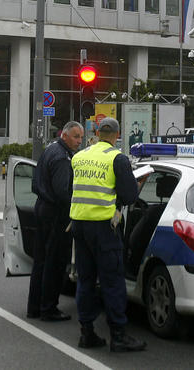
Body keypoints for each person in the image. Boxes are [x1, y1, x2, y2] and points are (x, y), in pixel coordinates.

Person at [69, 117, 146, 353]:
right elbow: (130, 196)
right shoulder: (117, 158)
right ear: (117, 135)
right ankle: (119, 336)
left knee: (86, 279)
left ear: (97, 132)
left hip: (79, 225)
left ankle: (87, 333)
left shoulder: (79, 157)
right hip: (103, 226)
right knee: (112, 281)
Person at [27, 120, 85, 322]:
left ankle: (34, 307)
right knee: (54, 262)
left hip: (42, 209)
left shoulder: (50, 150)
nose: (80, 141)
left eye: (81, 137)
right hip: (56, 214)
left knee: (40, 262)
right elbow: (62, 192)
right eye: (76, 136)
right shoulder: (62, 158)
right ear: (65, 135)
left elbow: (35, 183)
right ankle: (49, 308)